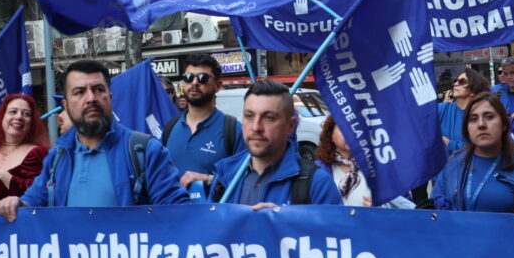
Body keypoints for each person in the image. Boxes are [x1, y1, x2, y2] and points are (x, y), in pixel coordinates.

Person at [0, 60, 188, 221]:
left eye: (98, 89)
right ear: (66, 104)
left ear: (110, 97)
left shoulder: (146, 151)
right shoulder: (57, 157)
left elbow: (180, 216)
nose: (91, 98)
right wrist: (17, 204)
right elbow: (34, 200)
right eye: (79, 92)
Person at [209, 79, 341, 207]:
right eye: (249, 116)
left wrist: (283, 223)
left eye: (269, 118)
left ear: (290, 126)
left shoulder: (316, 183)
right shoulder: (225, 176)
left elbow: (334, 229)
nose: (256, 127)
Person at [431, 92, 514, 213]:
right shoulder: (454, 163)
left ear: (503, 124)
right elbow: (435, 210)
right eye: (473, 119)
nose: (481, 124)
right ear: (467, 127)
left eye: (489, 116)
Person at [162, 54, 246, 190]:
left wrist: (210, 180)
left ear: (218, 85)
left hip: (215, 210)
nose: (194, 83)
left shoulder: (233, 130)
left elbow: (245, 182)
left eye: (202, 78)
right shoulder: (170, 128)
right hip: (173, 210)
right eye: (188, 78)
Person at [314, 116, 414, 208]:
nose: (351, 134)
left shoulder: (381, 166)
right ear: (330, 134)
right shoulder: (318, 171)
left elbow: (405, 205)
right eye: (343, 128)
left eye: (356, 128)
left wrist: (384, 208)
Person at [437, 68, 490, 154]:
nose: (456, 84)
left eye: (462, 82)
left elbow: (483, 149)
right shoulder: (443, 108)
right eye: (456, 81)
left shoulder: (483, 116)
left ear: (473, 89)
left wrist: (449, 144)